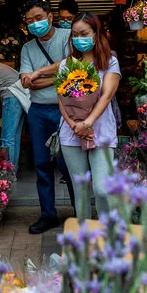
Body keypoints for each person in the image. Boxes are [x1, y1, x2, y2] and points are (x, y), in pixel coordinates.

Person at [19, 0, 76, 234]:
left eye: (39, 18)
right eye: (30, 21)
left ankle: (79, 214)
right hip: (39, 113)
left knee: (70, 164)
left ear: (50, 17)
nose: (35, 24)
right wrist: (61, 76)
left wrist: (40, 76)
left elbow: (75, 68)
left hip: (66, 110)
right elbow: (26, 82)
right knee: (42, 164)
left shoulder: (67, 37)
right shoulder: (27, 48)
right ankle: (47, 215)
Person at [58, 12, 121, 220]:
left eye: (84, 33)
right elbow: (61, 98)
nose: (79, 38)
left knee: (103, 189)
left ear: (96, 33)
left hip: (101, 131)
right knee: (80, 190)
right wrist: (74, 124)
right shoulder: (66, 65)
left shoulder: (110, 62)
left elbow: (106, 96)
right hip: (71, 134)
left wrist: (87, 123)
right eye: (75, 34)